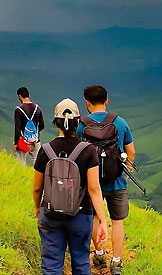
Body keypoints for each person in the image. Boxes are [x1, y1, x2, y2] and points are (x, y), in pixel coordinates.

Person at [33, 98, 108, 274]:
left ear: (56, 122)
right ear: (77, 122)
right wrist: (103, 220)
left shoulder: (45, 150)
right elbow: (94, 189)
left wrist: (38, 207)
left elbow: (37, 187)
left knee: (51, 264)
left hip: (50, 213)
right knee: (81, 262)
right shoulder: (89, 151)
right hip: (80, 216)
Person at [77, 85, 136, 275]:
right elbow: (131, 152)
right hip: (117, 181)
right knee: (117, 221)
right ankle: (116, 261)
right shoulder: (120, 122)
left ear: (87, 103)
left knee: (95, 217)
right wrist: (124, 171)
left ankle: (99, 253)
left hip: (92, 183)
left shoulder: (81, 125)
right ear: (107, 100)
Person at [14, 87, 45, 166]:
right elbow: (42, 125)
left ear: (20, 96)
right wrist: (34, 134)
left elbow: (17, 128)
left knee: (21, 163)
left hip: (23, 141)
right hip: (35, 141)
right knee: (37, 164)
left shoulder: (18, 110)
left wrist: (16, 143)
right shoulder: (38, 109)